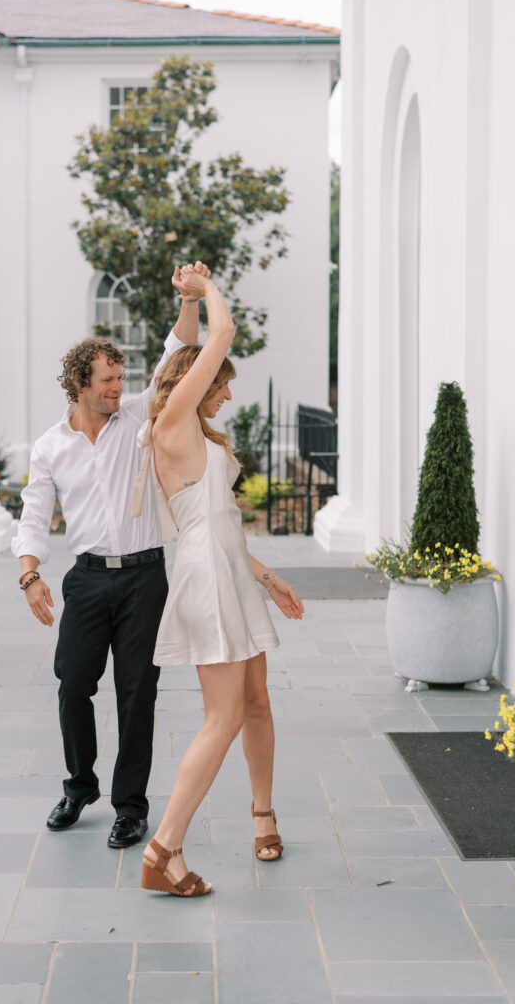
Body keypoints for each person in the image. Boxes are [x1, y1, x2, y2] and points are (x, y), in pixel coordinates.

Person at [12, 263, 209, 848]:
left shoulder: (138, 420)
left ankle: (130, 806)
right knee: (73, 682)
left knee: (136, 692)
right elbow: (32, 511)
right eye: (106, 380)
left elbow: (180, 351)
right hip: (87, 580)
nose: (117, 388)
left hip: (146, 577)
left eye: (120, 378)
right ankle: (79, 785)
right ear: (78, 382)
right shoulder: (51, 446)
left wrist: (191, 299)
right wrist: (31, 576)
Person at [134, 268, 304, 897]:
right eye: (220, 385)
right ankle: (164, 848)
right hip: (206, 578)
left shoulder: (197, 431)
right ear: (193, 384)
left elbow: (222, 522)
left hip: (230, 569)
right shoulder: (172, 424)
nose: (226, 395)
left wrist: (266, 576)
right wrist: (205, 289)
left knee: (256, 701)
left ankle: (263, 815)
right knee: (222, 717)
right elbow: (224, 330)